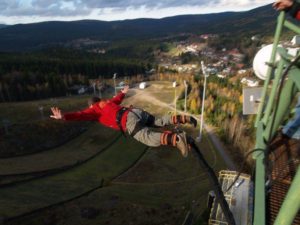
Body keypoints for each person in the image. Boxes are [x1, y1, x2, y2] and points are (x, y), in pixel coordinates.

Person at [50, 85, 197, 157]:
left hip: (128, 121)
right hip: (136, 112)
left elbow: (80, 115)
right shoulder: (107, 102)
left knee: (149, 139)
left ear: (91, 105)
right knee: (158, 121)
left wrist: (64, 117)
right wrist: (123, 92)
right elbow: (117, 99)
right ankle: (184, 118)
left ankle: (177, 139)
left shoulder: (94, 109)